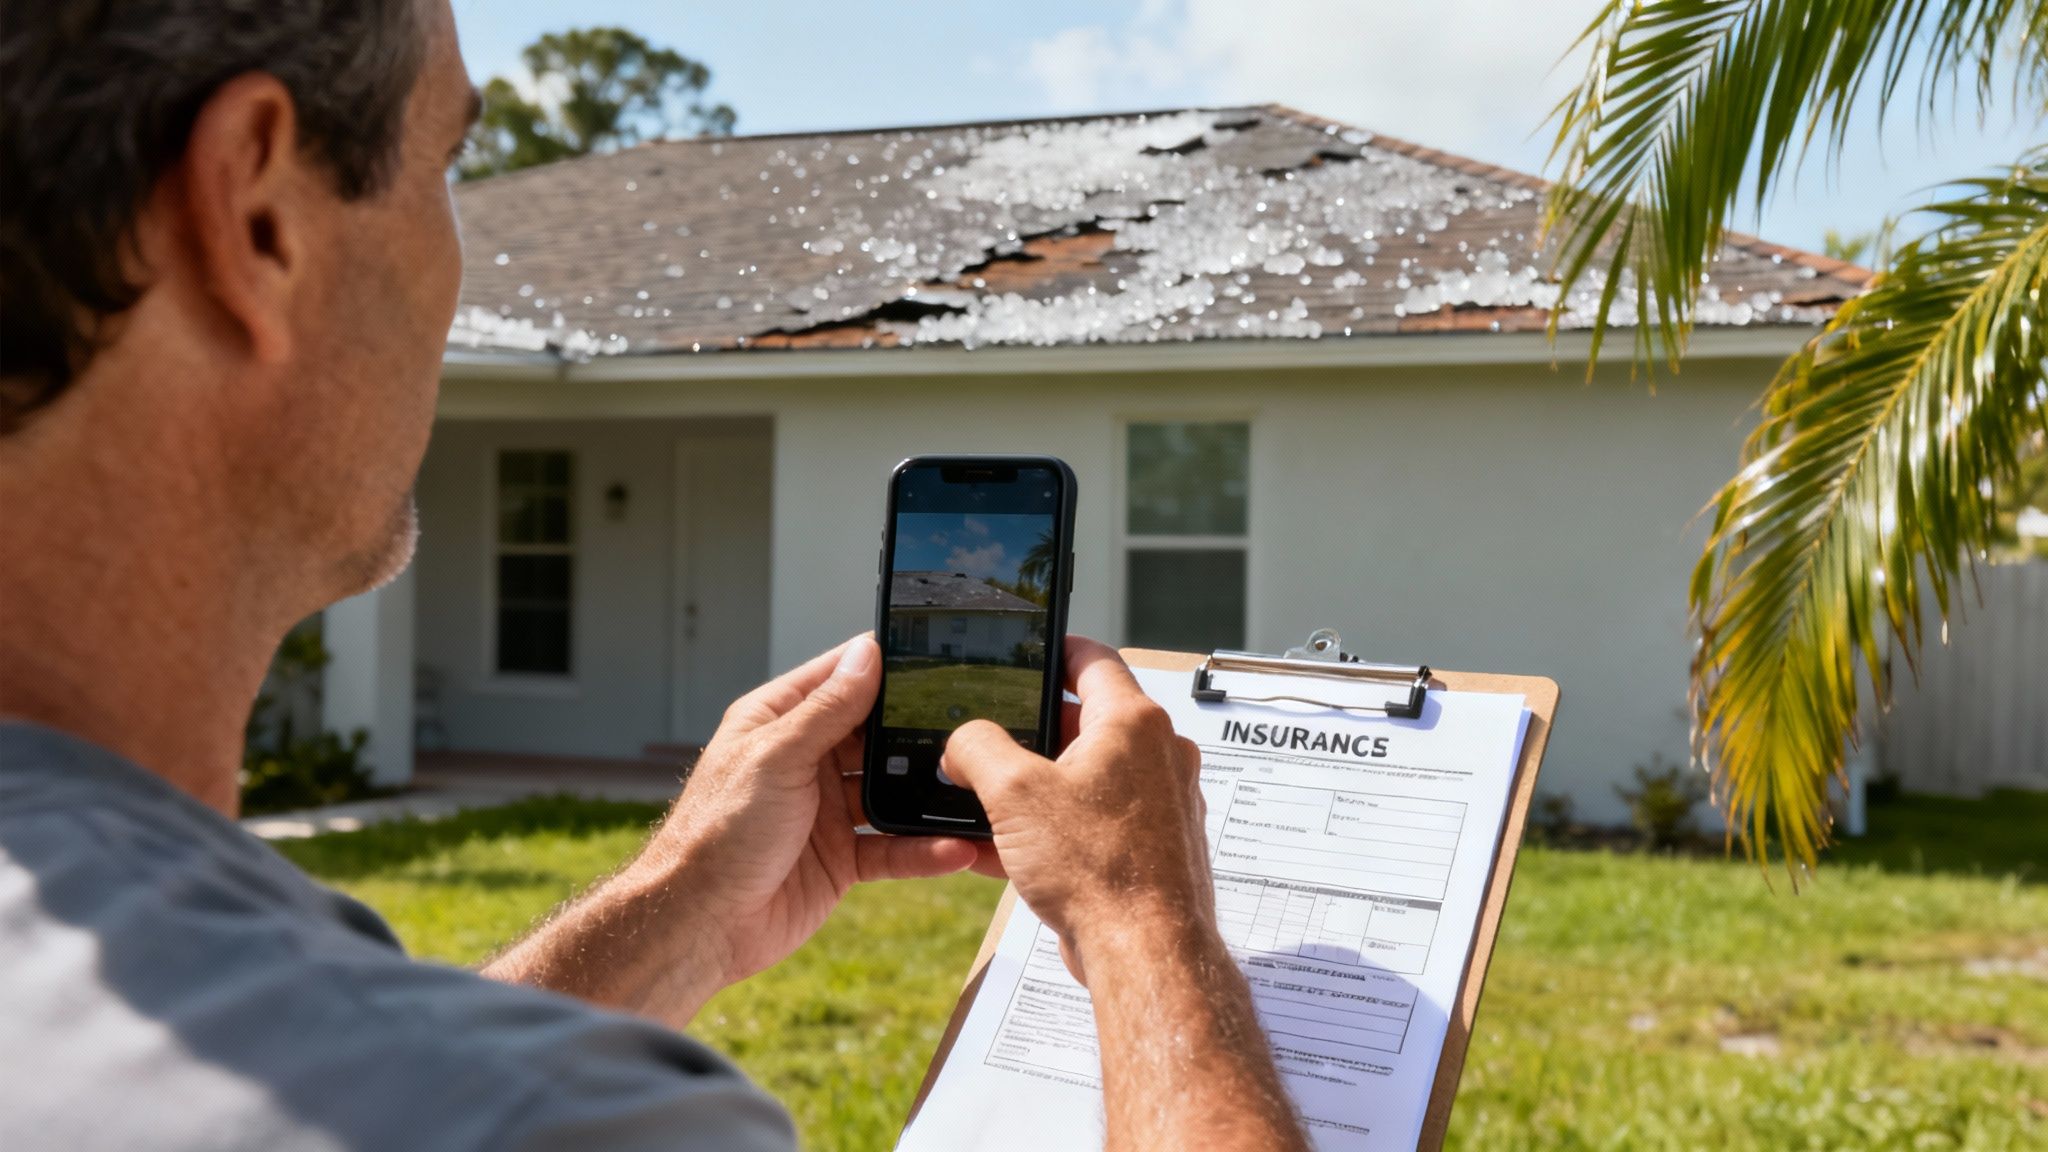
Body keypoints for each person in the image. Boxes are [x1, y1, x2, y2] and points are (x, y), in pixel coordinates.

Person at [0, 3, 1308, 1150]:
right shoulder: (584, 1127)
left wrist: (679, 909)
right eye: (448, 161)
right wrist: (1144, 927)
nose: (464, 259)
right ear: (257, 213)